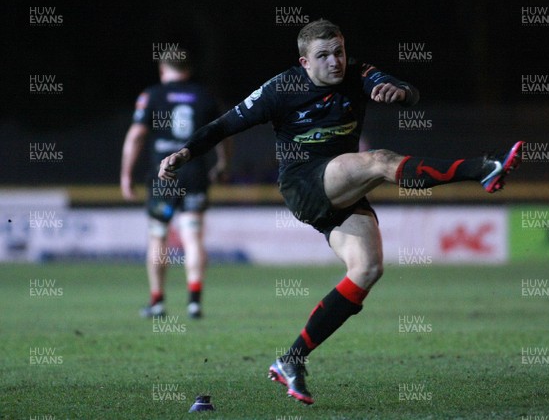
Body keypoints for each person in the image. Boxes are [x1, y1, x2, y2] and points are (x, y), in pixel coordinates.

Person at [158, 20, 523, 404]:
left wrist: (399, 92)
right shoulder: (281, 88)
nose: (334, 61)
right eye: (323, 56)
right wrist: (184, 153)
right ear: (304, 62)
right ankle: (482, 168)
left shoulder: (358, 73)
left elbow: (411, 93)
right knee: (380, 160)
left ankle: (291, 360)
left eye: (339, 52)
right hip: (304, 185)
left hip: (340, 189)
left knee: (367, 268)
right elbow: (222, 126)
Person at [120, 50, 230, 319]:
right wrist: (223, 163)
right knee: (192, 237)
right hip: (194, 171)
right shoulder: (204, 95)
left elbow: (136, 136)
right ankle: (194, 301)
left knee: (158, 236)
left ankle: (157, 302)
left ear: (162, 68)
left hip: (164, 173)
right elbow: (224, 132)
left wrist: (126, 175)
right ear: (189, 69)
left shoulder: (152, 95)